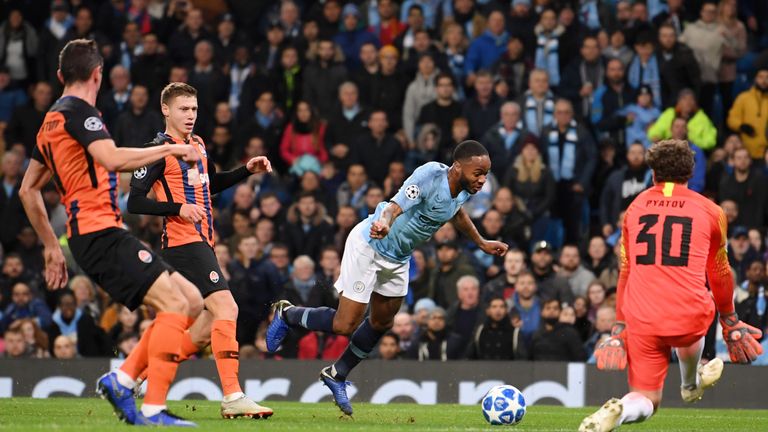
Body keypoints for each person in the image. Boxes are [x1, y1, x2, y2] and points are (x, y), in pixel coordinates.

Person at [19, 39, 204, 427]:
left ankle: (120, 380)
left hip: (94, 234)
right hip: (98, 232)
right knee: (175, 304)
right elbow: (113, 159)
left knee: (189, 299)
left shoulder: (50, 119)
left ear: (59, 75)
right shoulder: (78, 112)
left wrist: (52, 246)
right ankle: (153, 409)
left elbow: (27, 189)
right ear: (98, 74)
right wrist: (170, 150)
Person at [267, 141, 508, 415]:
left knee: (382, 321)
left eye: (485, 173)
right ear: (458, 167)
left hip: (398, 256)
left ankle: (337, 374)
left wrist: (481, 242)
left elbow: (456, 212)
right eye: (478, 172)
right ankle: (288, 314)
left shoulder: (464, 190)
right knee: (345, 324)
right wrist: (385, 222)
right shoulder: (430, 175)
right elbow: (395, 205)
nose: (482, 179)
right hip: (370, 244)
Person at [580, 139, 763, 432]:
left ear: (653, 174)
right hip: (689, 315)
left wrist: (620, 325)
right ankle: (690, 383)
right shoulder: (712, 211)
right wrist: (730, 320)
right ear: (690, 174)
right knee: (693, 319)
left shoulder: (635, 207)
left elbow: (625, 272)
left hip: (641, 317)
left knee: (648, 398)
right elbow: (719, 272)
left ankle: (622, 409)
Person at [127, 82, 274, 419]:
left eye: (193, 109)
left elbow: (210, 185)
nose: (190, 115)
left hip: (203, 240)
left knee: (207, 325)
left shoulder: (197, 144)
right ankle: (233, 396)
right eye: (183, 109)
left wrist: (244, 171)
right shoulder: (158, 150)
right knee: (227, 306)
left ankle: (136, 375)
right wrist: (177, 209)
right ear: (166, 110)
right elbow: (134, 200)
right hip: (182, 242)